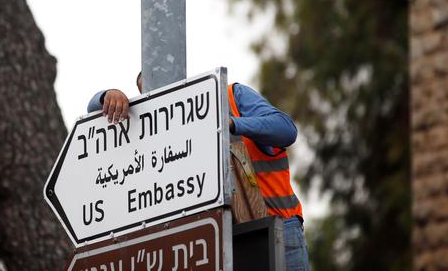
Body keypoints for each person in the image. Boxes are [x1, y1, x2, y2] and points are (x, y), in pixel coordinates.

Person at [87, 72, 309, 270]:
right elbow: (93, 109)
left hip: (279, 227)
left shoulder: (230, 96)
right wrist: (107, 94)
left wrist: (230, 123)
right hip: (219, 237)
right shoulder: (152, 133)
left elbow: (286, 130)